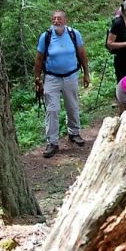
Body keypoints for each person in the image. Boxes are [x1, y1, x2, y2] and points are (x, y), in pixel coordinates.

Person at [34, 10, 90, 158]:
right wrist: (37, 78)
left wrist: (86, 74)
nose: (56, 21)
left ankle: (74, 133)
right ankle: (52, 142)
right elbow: (39, 59)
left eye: (59, 19)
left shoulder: (73, 34)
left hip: (71, 76)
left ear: (65, 20)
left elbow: (82, 54)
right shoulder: (45, 37)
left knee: (72, 105)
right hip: (51, 78)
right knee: (52, 110)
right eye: (54, 19)